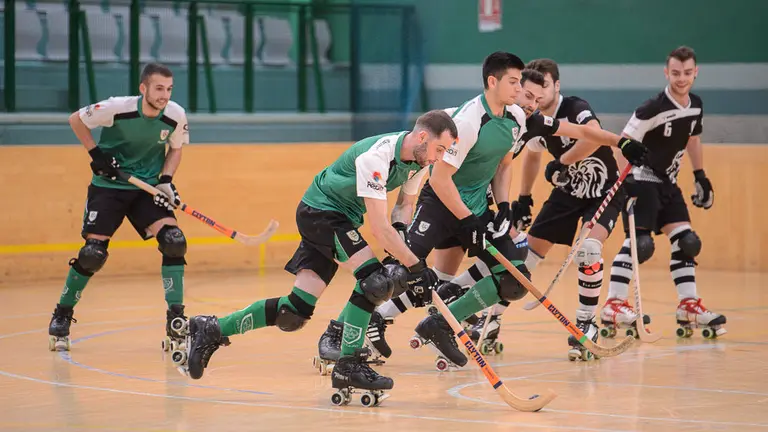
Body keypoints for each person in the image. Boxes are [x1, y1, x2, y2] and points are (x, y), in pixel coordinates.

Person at [366, 53, 649, 367]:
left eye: (534, 98)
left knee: (508, 277)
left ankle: (444, 322)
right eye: (521, 91)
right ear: (499, 85)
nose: (528, 101)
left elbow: (575, 134)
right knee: (404, 271)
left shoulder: (520, 119)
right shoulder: (474, 119)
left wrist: (620, 142)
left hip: (475, 206)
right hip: (443, 202)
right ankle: (358, 326)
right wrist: (472, 215)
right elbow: (439, 169)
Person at [179, 111, 457, 404]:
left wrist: (403, 242)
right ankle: (349, 365)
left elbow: (404, 206)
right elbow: (378, 228)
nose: (438, 158)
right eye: (439, 149)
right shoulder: (376, 157)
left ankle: (211, 328)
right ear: (423, 137)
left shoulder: (419, 161)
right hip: (321, 213)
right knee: (375, 282)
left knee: (294, 312)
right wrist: (415, 265)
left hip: (340, 218)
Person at [47, 63, 190, 353]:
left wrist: (165, 180)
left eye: (169, 89)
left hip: (145, 189)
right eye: (159, 88)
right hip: (108, 187)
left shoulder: (174, 114)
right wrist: (96, 155)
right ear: (143, 88)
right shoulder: (117, 108)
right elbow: (76, 120)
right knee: (92, 254)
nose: (164, 95)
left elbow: (176, 149)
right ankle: (62, 314)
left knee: (174, 242)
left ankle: (176, 319)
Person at [603, 45, 725, 339]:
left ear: (696, 73)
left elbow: (693, 139)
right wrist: (621, 183)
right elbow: (623, 143)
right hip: (642, 180)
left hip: (669, 183)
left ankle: (688, 306)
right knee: (640, 245)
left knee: (688, 243)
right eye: (675, 73)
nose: (681, 79)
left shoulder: (695, 104)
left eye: (686, 73)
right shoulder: (652, 108)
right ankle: (613, 305)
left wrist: (700, 176)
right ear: (666, 72)